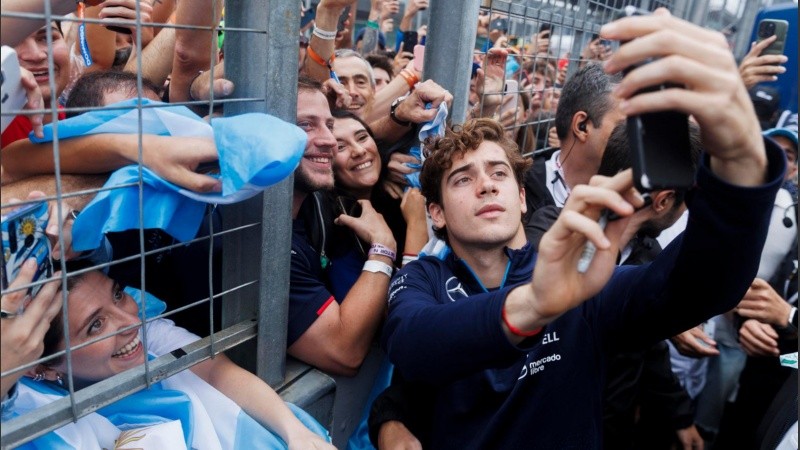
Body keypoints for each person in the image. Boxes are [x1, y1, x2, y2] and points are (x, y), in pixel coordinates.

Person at [378, 9, 784, 448]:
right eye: (463, 179)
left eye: (498, 174)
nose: (484, 186)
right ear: (435, 213)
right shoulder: (422, 279)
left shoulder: (581, 282)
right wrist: (533, 305)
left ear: (520, 197)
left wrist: (740, 160)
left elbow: (699, 285)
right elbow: (412, 344)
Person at [2, 266, 334, 449]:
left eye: (119, 294)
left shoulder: (149, 331)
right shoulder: (28, 417)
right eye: (96, 325)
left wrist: (294, 433)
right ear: (40, 367)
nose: (132, 322)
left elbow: (218, 372)